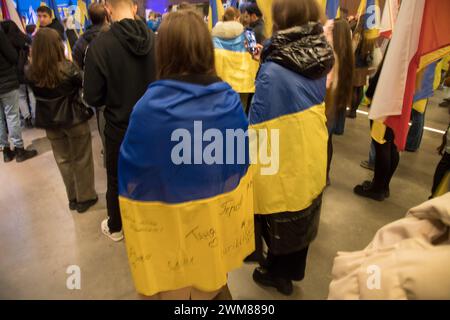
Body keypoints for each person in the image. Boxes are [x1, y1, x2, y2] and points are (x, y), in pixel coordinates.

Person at [118, 9, 253, 300]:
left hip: (168, 238)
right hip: (214, 230)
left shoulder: (148, 110)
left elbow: (132, 177)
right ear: (207, 49)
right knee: (210, 288)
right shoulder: (229, 100)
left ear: (163, 51)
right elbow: (241, 166)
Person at [249, 0, 334, 295]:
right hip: (312, 144)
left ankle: (275, 273)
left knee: (278, 209)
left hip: (283, 149)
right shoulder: (321, 53)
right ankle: (291, 272)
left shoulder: (275, 68)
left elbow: (258, 126)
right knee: (304, 205)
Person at [83, 0, 156, 242]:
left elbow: (92, 96)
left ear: (108, 9)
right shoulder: (157, 40)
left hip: (119, 127)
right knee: (154, 175)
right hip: (155, 125)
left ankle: (116, 226)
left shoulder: (98, 47)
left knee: (116, 179)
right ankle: (153, 223)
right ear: (135, 8)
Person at [27, 28, 97, 213]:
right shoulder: (68, 68)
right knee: (82, 158)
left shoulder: (30, 72)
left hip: (49, 123)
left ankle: (72, 198)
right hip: (74, 119)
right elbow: (84, 83)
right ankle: (86, 197)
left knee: (63, 160)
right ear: (56, 45)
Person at [0, 25, 37, 163]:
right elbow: (12, 55)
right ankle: (19, 149)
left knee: (0, 119)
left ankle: (6, 151)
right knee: (12, 116)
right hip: (6, 80)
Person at [212, 7, 259, 112]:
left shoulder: (212, 35)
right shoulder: (248, 34)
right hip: (243, 81)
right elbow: (255, 55)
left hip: (221, 81)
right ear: (237, 18)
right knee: (241, 111)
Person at [326, 19, 354, 183]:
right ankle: (325, 174)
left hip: (328, 105)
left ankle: (323, 175)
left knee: (324, 142)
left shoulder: (332, 56)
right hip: (337, 105)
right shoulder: (346, 56)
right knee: (328, 141)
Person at [0, 20, 35, 128]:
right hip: (28, 68)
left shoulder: (6, 41)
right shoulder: (25, 38)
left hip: (15, 72)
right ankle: (36, 116)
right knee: (31, 93)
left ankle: (27, 118)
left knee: (21, 96)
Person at [72, 3, 109, 70]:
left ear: (89, 18)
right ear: (106, 16)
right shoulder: (116, 34)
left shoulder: (80, 42)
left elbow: (76, 67)